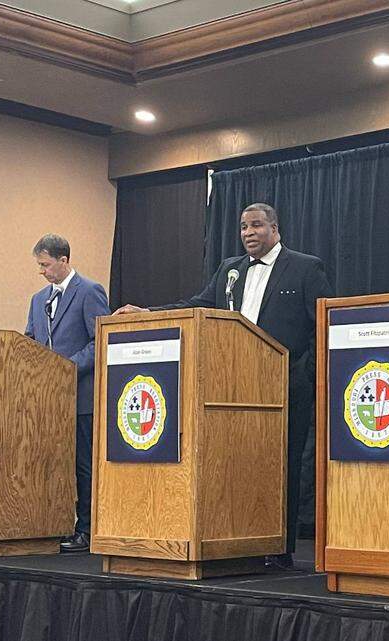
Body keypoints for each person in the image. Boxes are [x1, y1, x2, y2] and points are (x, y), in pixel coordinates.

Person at [115, 202, 332, 570]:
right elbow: (200, 305)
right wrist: (151, 313)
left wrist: (308, 377)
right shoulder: (230, 270)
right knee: (238, 461)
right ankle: (239, 537)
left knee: (283, 463)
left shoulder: (305, 267)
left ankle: (280, 546)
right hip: (232, 386)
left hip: (284, 386)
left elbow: (320, 325)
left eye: (257, 226)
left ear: (275, 229)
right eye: (244, 227)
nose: (248, 233)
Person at [24, 233, 110, 553]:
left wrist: (66, 369)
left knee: (82, 465)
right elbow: (30, 340)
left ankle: (87, 530)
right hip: (49, 400)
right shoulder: (38, 299)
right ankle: (52, 524)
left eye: (46, 265)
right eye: (39, 267)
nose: (43, 272)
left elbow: (99, 339)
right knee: (52, 463)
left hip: (81, 395)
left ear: (64, 261)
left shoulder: (89, 291)